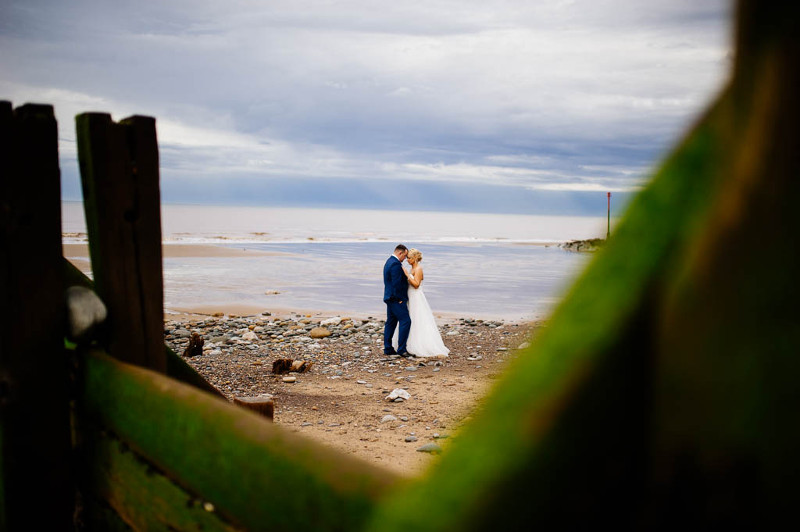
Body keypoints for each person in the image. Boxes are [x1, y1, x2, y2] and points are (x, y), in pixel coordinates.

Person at [392, 248, 450, 358]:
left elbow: (416, 284)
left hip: (416, 297)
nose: (407, 260)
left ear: (414, 259)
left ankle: (419, 345)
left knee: (417, 319)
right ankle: (406, 343)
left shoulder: (418, 269)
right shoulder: (413, 268)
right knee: (409, 319)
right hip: (410, 296)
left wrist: (407, 275)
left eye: (409, 258)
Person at [383, 244, 411, 357]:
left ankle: (388, 348)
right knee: (406, 321)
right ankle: (402, 349)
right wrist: (399, 299)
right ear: (401, 252)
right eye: (405, 256)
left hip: (389, 297)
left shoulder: (389, 261)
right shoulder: (395, 264)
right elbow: (396, 283)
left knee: (391, 322)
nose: (405, 259)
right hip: (395, 299)